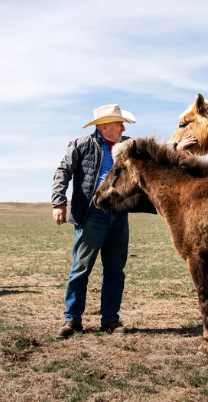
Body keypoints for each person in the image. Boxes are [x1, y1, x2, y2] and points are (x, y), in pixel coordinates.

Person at [51, 104, 139, 338]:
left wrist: (178, 146)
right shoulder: (81, 145)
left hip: (119, 213)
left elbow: (155, 153)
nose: (123, 127)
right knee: (81, 269)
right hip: (90, 214)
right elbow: (63, 171)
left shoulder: (129, 147)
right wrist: (58, 202)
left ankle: (110, 320)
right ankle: (72, 320)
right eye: (119, 123)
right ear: (103, 126)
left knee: (115, 270)